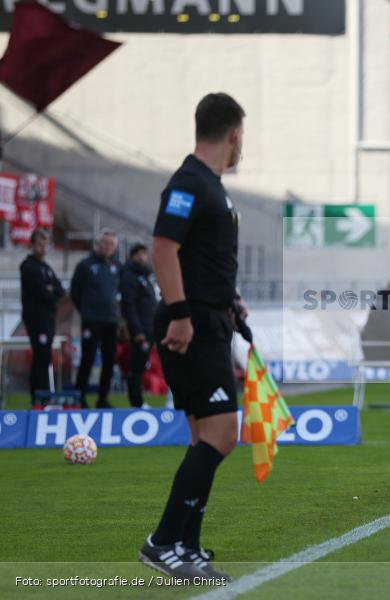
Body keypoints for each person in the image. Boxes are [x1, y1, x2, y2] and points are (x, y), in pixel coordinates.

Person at [138, 93, 247, 580]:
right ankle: (163, 542)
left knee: (203, 434)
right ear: (233, 135)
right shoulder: (190, 182)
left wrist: (231, 299)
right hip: (193, 324)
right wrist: (181, 314)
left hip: (210, 317)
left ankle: (187, 546)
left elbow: (200, 258)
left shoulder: (210, 185)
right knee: (223, 433)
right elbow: (163, 248)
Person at [71, 229, 122, 409]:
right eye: (105, 243)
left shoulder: (117, 266)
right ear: (98, 244)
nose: (108, 247)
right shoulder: (85, 265)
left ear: (115, 247)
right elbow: (75, 292)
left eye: (111, 244)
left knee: (109, 360)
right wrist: (86, 311)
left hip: (111, 320)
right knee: (88, 358)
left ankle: (102, 398)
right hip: (92, 320)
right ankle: (80, 397)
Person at [20, 229, 65, 406]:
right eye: (40, 244)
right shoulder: (28, 266)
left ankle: (44, 396)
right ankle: (38, 397)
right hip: (36, 319)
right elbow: (41, 292)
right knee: (40, 357)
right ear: (32, 245)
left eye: (45, 244)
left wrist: (50, 290)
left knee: (45, 358)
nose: (43, 248)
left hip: (48, 319)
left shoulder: (46, 268)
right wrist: (50, 291)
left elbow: (59, 290)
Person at [120, 243, 159, 408]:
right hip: (141, 329)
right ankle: (136, 401)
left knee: (142, 365)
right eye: (138, 254)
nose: (142, 257)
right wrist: (136, 330)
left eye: (144, 253)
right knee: (136, 367)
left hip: (150, 328)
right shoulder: (129, 276)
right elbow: (129, 305)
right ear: (132, 256)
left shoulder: (145, 277)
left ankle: (139, 400)